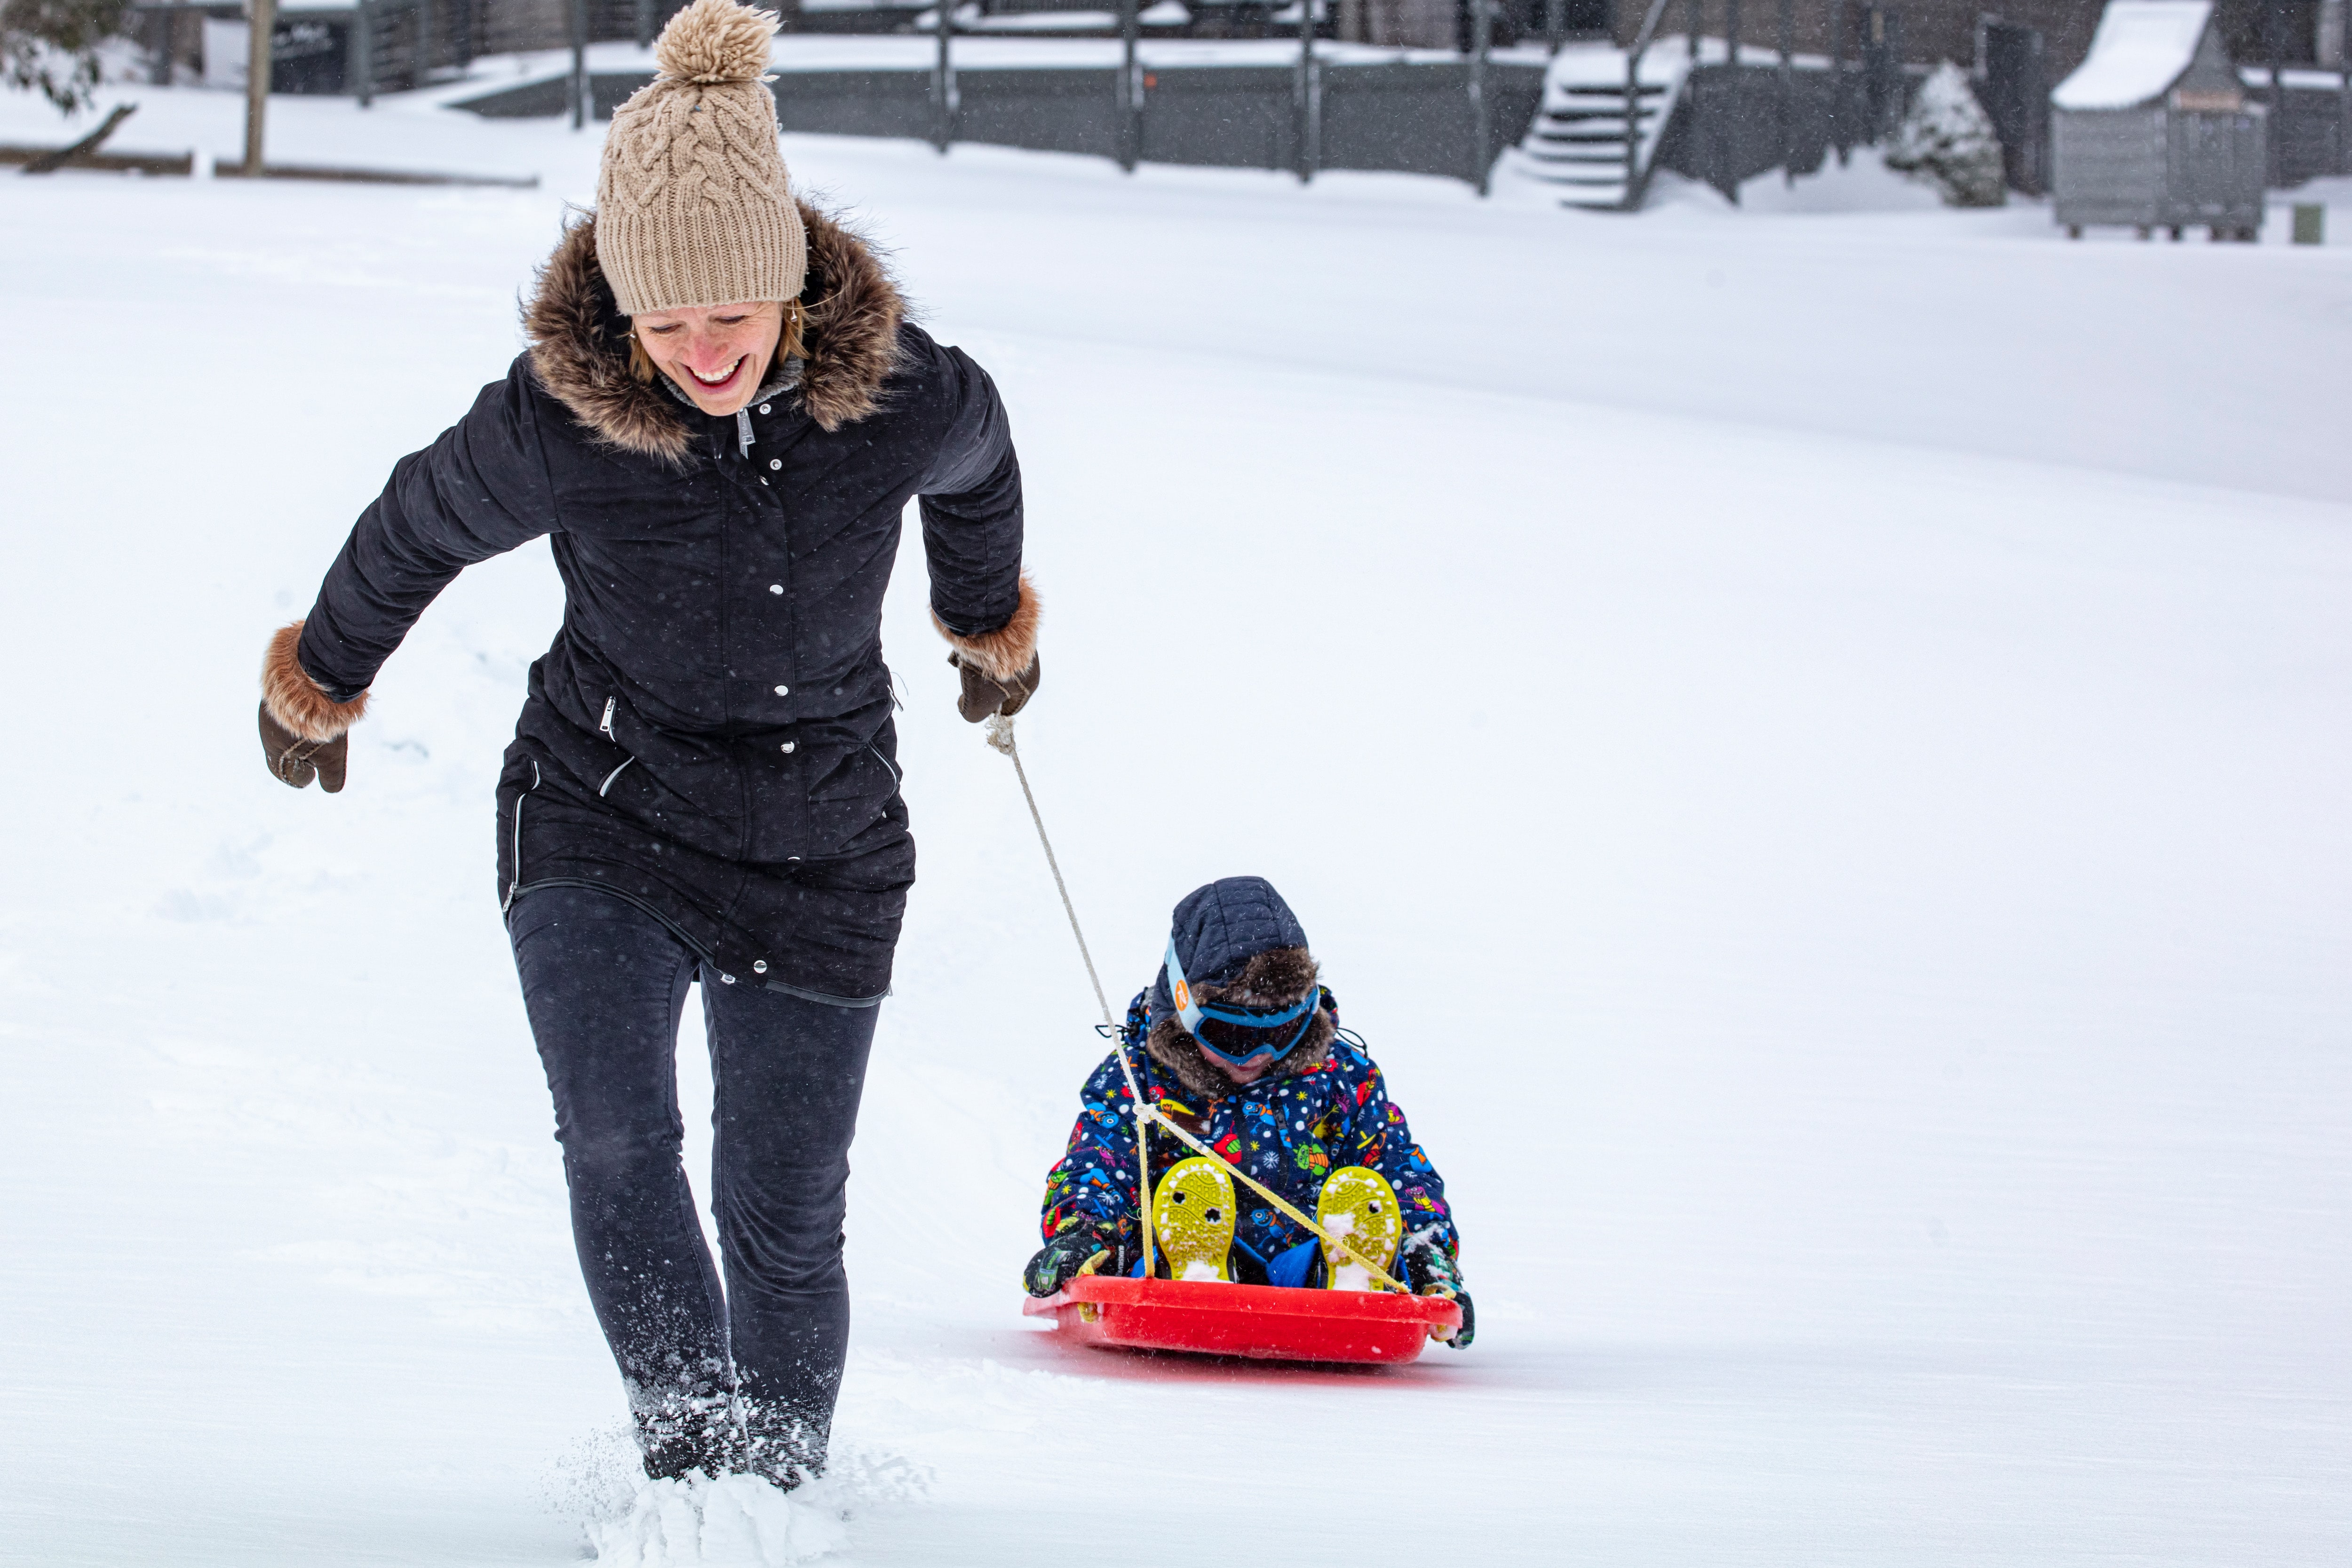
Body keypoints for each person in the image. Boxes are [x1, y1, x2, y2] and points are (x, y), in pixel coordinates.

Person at [253, 0, 1040, 1488]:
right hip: (600, 810)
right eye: (662, 322)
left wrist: (985, 622)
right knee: (619, 1144)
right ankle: (691, 1476)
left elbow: (981, 462)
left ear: (788, 286)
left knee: (786, 1207)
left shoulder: (901, 399)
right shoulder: (568, 418)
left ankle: (780, 1490)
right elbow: (416, 523)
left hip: (826, 841)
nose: (698, 352)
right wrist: (323, 676)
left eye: (726, 316)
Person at [1023, 878, 1473, 1346]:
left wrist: (1427, 1251)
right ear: (1183, 1010)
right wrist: (1083, 1232)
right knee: (1150, 1247)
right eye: (1230, 1037)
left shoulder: (1338, 1076)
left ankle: (1350, 1274)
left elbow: (1392, 1161)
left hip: (1306, 1268)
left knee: (1356, 1211)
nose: (1254, 1055)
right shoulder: (1141, 1079)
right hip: (1165, 1272)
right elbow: (1100, 1161)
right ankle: (1197, 1266)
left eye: (1280, 1036)